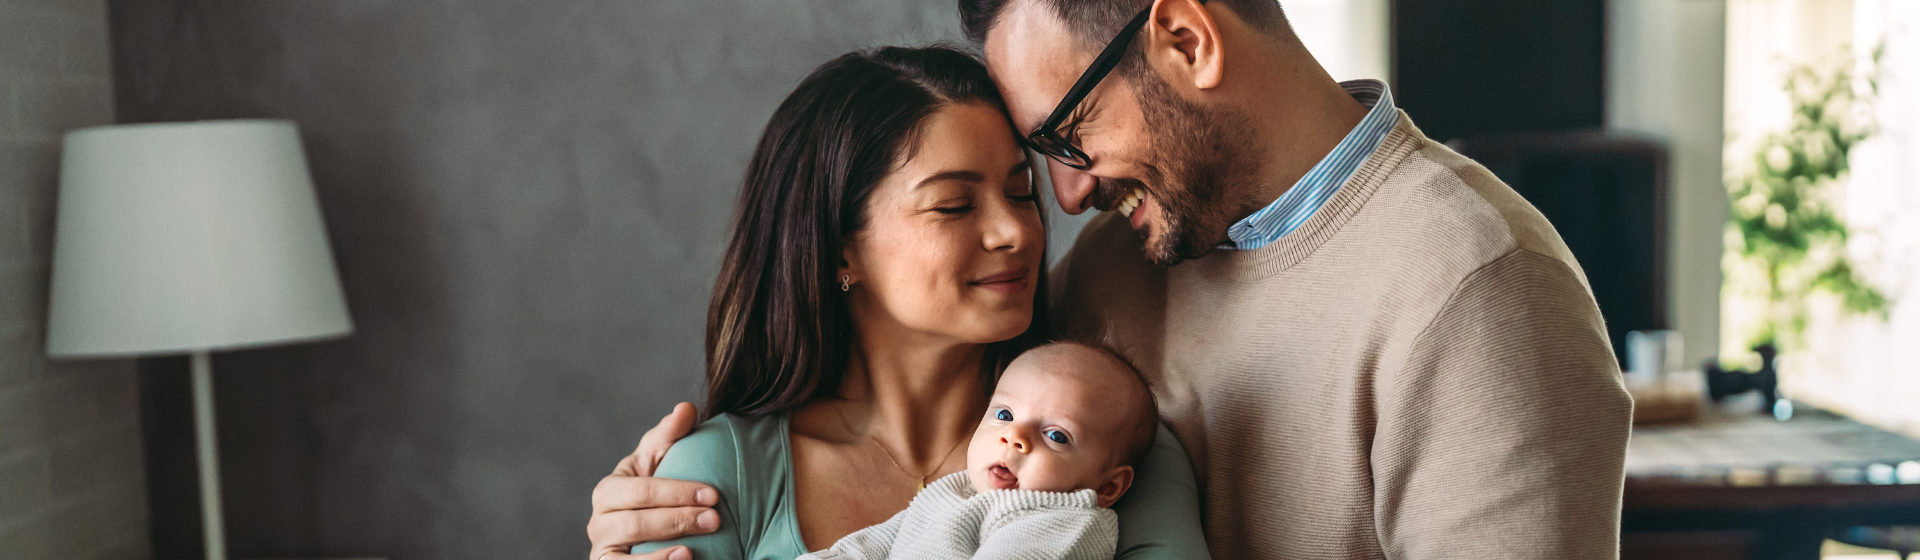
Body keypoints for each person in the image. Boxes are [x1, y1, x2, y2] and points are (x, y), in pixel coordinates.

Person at [591, 0, 1635, 557]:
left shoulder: (1480, 284)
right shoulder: (1116, 272)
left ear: (1184, 38)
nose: (1060, 201)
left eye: (1067, 134)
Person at [602, 46, 1208, 560]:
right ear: (842, 252)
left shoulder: (1104, 444)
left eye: (1021, 193)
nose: (1016, 233)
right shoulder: (716, 474)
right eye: (954, 205)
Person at [799, 341, 1160, 560]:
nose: (1014, 437)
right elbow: (875, 545)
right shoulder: (955, 490)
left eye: (1056, 436)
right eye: (1004, 415)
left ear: (1108, 487)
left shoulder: (1065, 523)